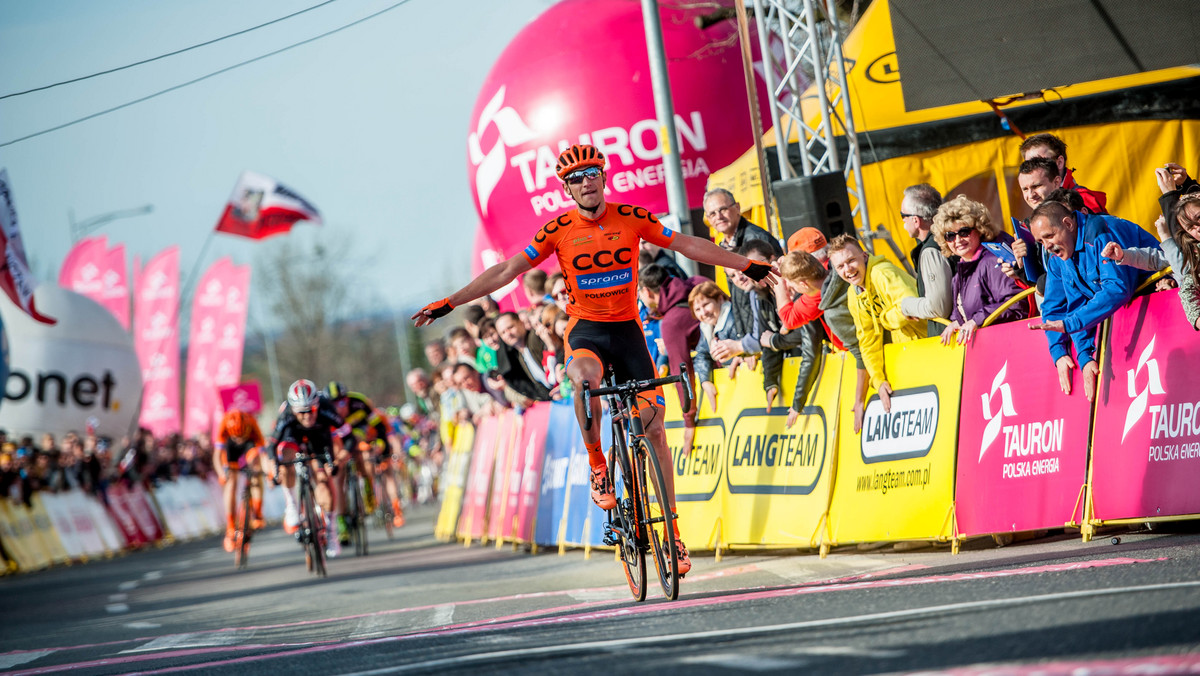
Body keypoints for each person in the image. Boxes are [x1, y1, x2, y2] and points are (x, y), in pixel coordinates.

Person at [413, 144, 777, 575]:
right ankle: (599, 465)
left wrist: (746, 265)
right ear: (567, 188)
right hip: (586, 331)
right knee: (585, 380)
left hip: (628, 333)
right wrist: (450, 302)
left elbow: (687, 245)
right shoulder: (558, 230)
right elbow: (506, 271)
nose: (587, 181)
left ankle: (673, 536)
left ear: (604, 178)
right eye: (577, 177)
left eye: (593, 173)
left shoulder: (632, 217)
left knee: (655, 430)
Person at [1027, 200, 1161, 401]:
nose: (1047, 247)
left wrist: (1069, 325)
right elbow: (1064, 306)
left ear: (1068, 224)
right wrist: (1074, 355)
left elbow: (1117, 288)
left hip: (1160, 301)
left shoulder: (1099, 232)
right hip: (1131, 315)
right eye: (1040, 241)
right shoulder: (1059, 257)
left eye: (1049, 236)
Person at [828, 234, 923, 431]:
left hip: (932, 343)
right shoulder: (854, 294)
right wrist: (878, 380)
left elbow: (911, 305)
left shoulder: (881, 273)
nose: (848, 270)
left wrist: (886, 319)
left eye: (851, 260)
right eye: (840, 266)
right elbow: (867, 340)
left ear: (864, 255)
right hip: (909, 353)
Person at [929, 196, 1029, 345]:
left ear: (980, 229)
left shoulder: (993, 261)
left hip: (1008, 345)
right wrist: (957, 322)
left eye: (964, 232)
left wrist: (976, 320)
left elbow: (1016, 305)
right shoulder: (960, 273)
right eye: (950, 236)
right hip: (984, 351)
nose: (957, 240)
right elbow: (965, 310)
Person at [268, 379, 347, 558]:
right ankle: (292, 505)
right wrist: (274, 466)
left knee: (324, 486)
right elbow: (271, 446)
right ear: (293, 409)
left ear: (317, 405)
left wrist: (339, 459)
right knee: (284, 455)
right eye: (301, 412)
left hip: (319, 440)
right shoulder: (286, 413)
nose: (306, 416)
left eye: (311, 410)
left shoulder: (326, 408)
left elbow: (348, 437)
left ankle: (330, 530)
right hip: (293, 437)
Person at [325, 381, 404, 532]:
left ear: (347, 399)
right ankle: (342, 522)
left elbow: (379, 426)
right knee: (338, 477)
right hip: (339, 440)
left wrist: (382, 444)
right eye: (334, 404)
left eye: (342, 402)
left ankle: (367, 482)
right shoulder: (327, 412)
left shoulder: (359, 402)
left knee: (363, 450)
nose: (339, 407)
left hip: (361, 434)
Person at [896, 184, 953, 337]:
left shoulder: (931, 250)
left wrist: (907, 306)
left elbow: (938, 308)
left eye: (903, 216)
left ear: (915, 220)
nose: (902, 222)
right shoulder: (952, 237)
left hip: (951, 343)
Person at [212, 410, 265, 553]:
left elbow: (263, 452)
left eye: (241, 435)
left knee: (255, 471)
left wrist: (267, 471)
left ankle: (258, 514)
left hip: (250, 446)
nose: (239, 438)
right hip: (230, 449)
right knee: (231, 483)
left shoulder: (252, 423)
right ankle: (230, 526)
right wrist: (221, 473)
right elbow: (217, 456)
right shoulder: (224, 425)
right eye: (237, 436)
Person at [1019, 133, 1107, 214]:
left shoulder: (1083, 200)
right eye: (1029, 163)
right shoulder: (1037, 198)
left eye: (1041, 161)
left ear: (1060, 162)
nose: (1033, 168)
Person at [689, 282, 736, 413]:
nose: (703, 313)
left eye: (706, 305)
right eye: (697, 309)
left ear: (720, 299)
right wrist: (705, 381)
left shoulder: (734, 317)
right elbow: (702, 354)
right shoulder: (706, 326)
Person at [494, 311, 555, 403]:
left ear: (521, 323)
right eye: (503, 333)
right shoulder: (520, 356)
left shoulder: (536, 337)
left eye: (510, 327)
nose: (508, 334)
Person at [702, 187, 784, 256]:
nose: (719, 217)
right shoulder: (725, 243)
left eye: (723, 209)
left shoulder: (757, 239)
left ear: (737, 207)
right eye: (712, 214)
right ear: (708, 219)